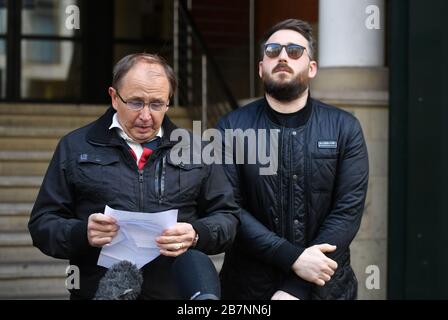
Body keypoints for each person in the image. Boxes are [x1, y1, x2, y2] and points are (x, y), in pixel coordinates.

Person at [28, 53, 240, 299]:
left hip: (175, 294)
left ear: (169, 101)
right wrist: (80, 233)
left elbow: (228, 217)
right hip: (100, 292)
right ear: (114, 97)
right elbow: (42, 224)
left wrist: (196, 233)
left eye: (157, 104)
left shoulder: (198, 150)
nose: (146, 115)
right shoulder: (75, 147)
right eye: (136, 102)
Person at [217, 19, 369, 300]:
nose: (283, 56)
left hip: (325, 290)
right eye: (273, 51)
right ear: (261, 68)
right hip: (248, 290)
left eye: (295, 51)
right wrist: (292, 258)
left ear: (312, 68)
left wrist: (295, 287)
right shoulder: (230, 128)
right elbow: (229, 209)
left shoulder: (344, 127)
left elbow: (347, 212)